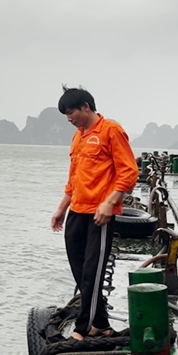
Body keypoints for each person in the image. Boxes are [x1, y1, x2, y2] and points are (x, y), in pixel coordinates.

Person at [50, 86, 138, 340]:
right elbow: (74, 178)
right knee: (80, 271)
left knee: (92, 272)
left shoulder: (111, 131)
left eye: (71, 112)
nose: (69, 118)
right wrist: (61, 209)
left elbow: (129, 172)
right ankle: (100, 323)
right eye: (65, 114)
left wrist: (109, 204)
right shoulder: (78, 136)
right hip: (77, 211)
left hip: (99, 215)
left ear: (86, 107)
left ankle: (82, 329)